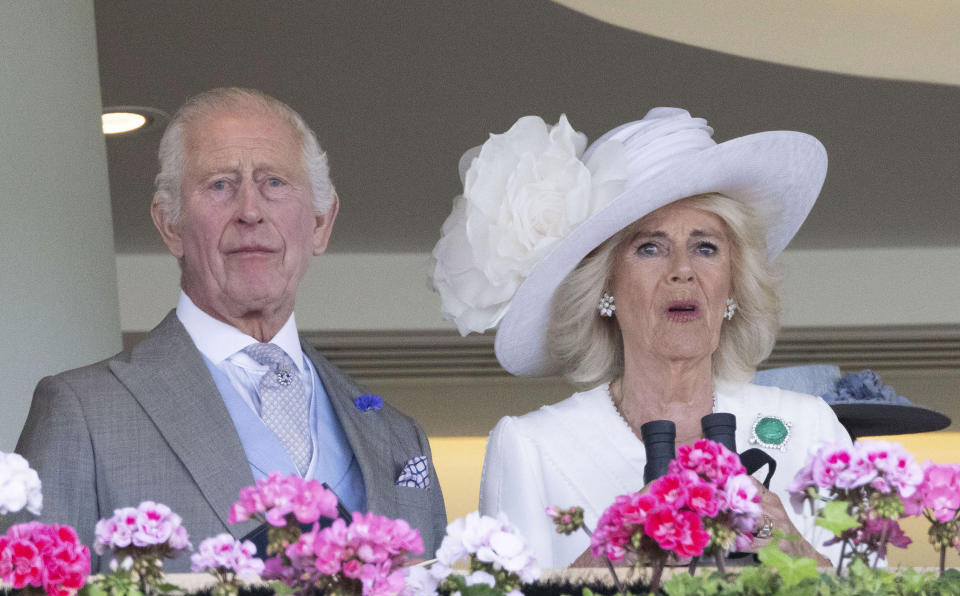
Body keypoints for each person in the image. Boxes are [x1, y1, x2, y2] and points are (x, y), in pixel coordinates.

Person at [17, 87, 446, 569]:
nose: (249, 210)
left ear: (321, 223)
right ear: (170, 225)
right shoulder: (83, 413)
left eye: (275, 183)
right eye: (220, 184)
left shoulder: (397, 435)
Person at [431, 107, 849, 569]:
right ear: (605, 285)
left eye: (705, 247)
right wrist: (615, 547)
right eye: (649, 247)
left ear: (734, 284)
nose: (682, 271)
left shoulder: (810, 428)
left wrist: (791, 548)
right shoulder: (532, 446)